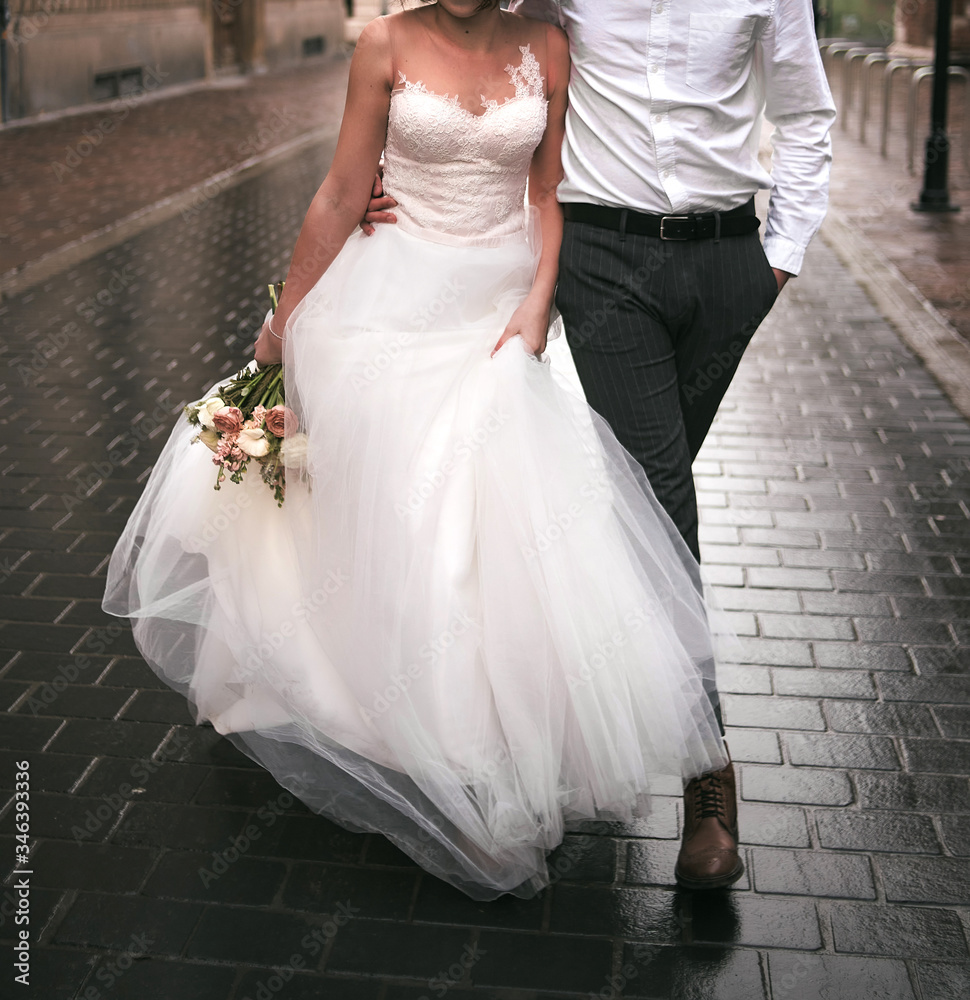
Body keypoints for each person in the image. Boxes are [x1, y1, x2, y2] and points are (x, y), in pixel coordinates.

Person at [103, 0, 731, 900]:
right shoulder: (384, 42)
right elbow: (338, 190)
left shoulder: (549, 47)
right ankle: (447, 771)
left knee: (506, 516)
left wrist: (537, 307)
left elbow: (548, 194)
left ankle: (495, 759)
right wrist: (282, 325)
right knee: (415, 514)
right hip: (391, 300)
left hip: (496, 305)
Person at [364, 0, 836, 890]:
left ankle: (566, 703)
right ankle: (708, 777)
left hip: (730, 262)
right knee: (659, 491)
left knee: (632, 510)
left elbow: (806, 113)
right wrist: (398, 180)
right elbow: (481, 43)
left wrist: (781, 256)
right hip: (606, 264)